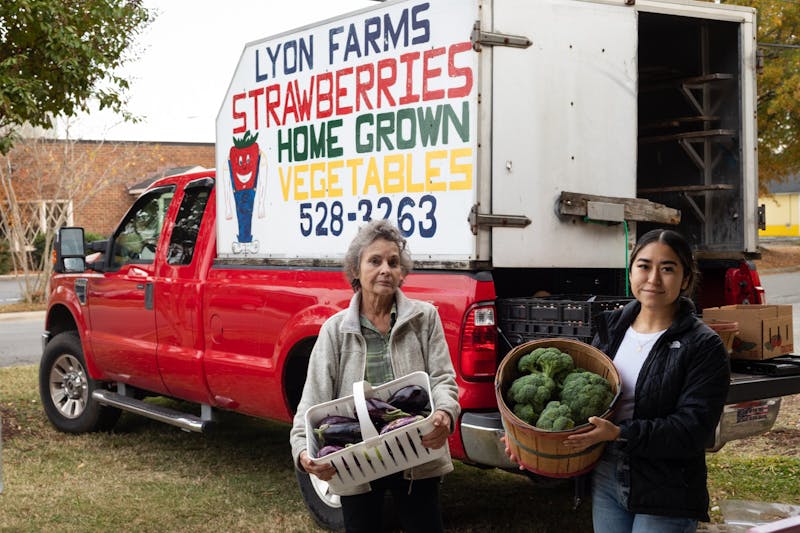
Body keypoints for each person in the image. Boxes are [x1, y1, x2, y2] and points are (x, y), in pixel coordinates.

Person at [505, 228, 730, 532]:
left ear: (686, 279)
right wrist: (530, 444)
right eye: (644, 266)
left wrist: (620, 433)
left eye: (667, 269)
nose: (653, 278)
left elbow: (693, 429)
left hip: (666, 487)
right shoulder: (611, 328)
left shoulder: (703, 345)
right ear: (631, 271)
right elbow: (576, 401)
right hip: (606, 475)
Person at [289, 219, 461, 533]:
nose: (385, 269)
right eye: (375, 261)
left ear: (402, 272)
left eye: (393, 262)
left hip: (415, 448)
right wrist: (303, 450)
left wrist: (445, 413)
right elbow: (312, 399)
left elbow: (442, 379)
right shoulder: (335, 330)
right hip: (356, 459)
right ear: (356, 270)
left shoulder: (425, 318)